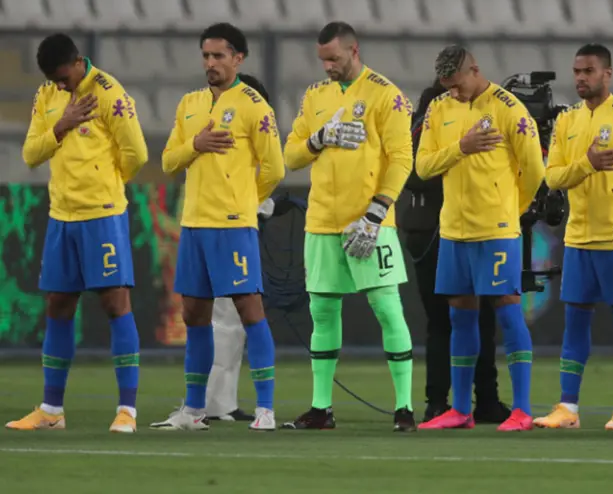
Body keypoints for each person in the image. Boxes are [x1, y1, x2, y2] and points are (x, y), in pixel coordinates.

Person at [7, 34, 148, 433]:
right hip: (61, 216)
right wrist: (62, 125)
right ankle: (51, 411)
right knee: (58, 306)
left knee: (115, 302)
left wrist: (108, 185)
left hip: (102, 214)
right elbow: (32, 154)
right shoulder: (47, 95)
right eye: (53, 79)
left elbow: (137, 153)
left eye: (63, 77)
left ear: (77, 61)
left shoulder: (109, 93)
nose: (60, 85)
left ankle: (127, 411)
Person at [282, 22, 417, 432]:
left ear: (353, 50)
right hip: (322, 220)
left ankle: (405, 409)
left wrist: (377, 212)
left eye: (334, 59)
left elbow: (401, 159)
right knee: (322, 310)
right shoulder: (314, 96)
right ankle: (321, 408)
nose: (327, 67)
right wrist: (319, 138)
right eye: (322, 60)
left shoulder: (385, 95)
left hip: (370, 222)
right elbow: (290, 156)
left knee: (387, 307)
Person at [151, 23, 284, 431]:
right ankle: (194, 410)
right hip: (194, 225)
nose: (211, 63)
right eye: (206, 56)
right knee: (194, 315)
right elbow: (168, 161)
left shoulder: (253, 105)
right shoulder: (189, 104)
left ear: (238, 58)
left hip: (232, 225)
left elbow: (275, 167)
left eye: (219, 56)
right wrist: (195, 146)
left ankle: (265, 409)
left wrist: (244, 202)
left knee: (249, 310)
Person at [532, 43, 613, 431]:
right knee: (575, 323)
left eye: (588, 71)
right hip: (578, 239)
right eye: (576, 72)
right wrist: (587, 164)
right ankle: (567, 408)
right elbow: (552, 177)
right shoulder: (567, 121)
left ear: (607, 73)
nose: (580, 79)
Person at [415, 45, 545, 431]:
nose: (454, 93)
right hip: (454, 229)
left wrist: (512, 210)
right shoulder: (439, 109)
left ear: (474, 69)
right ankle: (460, 409)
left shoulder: (508, 109)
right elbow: (422, 166)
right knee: (460, 315)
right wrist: (461, 148)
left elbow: (535, 170)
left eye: (458, 85)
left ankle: (521, 409)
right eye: (448, 87)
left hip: (496, 229)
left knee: (507, 309)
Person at [399, 80, 511, 424]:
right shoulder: (432, 116)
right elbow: (414, 171)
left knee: (472, 318)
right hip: (440, 230)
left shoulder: (432, 117)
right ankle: (443, 401)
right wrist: (458, 153)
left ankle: (472, 399)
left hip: (451, 228)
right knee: (453, 318)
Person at [204, 73, 274, 423]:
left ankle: (220, 401)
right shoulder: (231, 135)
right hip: (226, 228)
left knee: (231, 318)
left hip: (226, 226)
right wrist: (258, 203)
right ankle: (214, 403)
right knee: (227, 317)